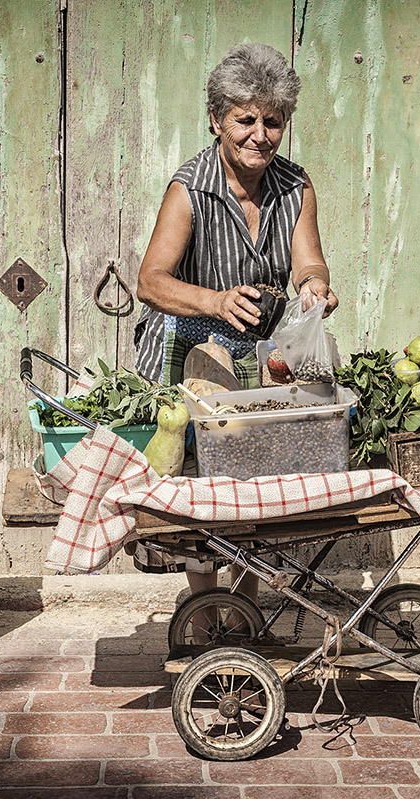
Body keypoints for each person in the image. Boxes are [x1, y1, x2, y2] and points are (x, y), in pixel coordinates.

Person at [132, 43, 338, 601]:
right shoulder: (190, 187)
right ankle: (203, 602)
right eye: (245, 119)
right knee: (199, 486)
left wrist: (314, 286)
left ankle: (244, 603)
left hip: (262, 354)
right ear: (218, 120)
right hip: (193, 353)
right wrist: (215, 301)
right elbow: (150, 281)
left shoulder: (295, 186)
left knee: (262, 479)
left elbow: (309, 259)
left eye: (272, 121)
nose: (260, 134)